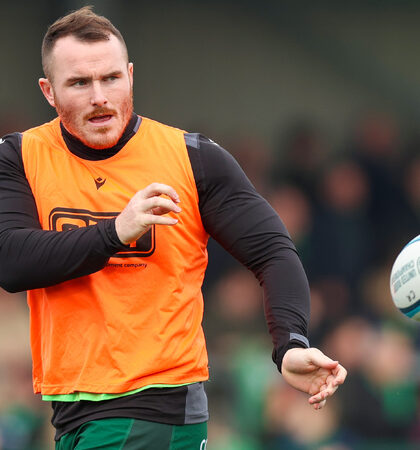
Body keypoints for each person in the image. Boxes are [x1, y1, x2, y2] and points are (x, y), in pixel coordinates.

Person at [0, 6, 347, 449]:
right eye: (80, 83)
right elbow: (12, 261)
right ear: (48, 91)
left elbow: (274, 251)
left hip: (156, 406)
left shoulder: (192, 158)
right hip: (74, 409)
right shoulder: (20, 157)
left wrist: (291, 343)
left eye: (111, 78)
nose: (100, 97)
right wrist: (115, 232)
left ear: (130, 76)